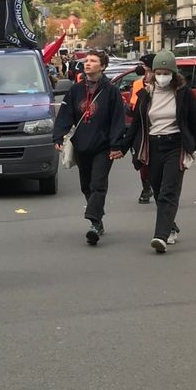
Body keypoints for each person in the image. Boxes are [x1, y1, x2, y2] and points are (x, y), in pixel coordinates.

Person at [113, 50, 196, 253]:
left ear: (174, 74)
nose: (162, 76)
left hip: (176, 146)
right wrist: (122, 148)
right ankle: (171, 226)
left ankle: (160, 236)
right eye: (158, 72)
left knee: (169, 191)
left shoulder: (184, 94)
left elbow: (194, 124)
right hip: (152, 147)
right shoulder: (145, 94)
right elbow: (136, 125)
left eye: (166, 72)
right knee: (158, 191)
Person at [52, 50, 125, 245]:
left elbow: (118, 120)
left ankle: (93, 223)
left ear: (102, 66)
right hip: (82, 146)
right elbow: (65, 114)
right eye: (87, 60)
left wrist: (116, 145)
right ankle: (98, 218)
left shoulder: (111, 91)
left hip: (103, 147)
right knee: (86, 186)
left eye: (93, 61)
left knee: (98, 185)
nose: (88, 63)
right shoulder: (75, 90)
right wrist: (58, 135)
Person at [129, 54, 155, 204]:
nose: (142, 69)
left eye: (144, 66)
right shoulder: (137, 84)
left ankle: (154, 187)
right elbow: (134, 107)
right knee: (140, 159)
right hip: (140, 127)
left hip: (157, 127)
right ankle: (146, 187)